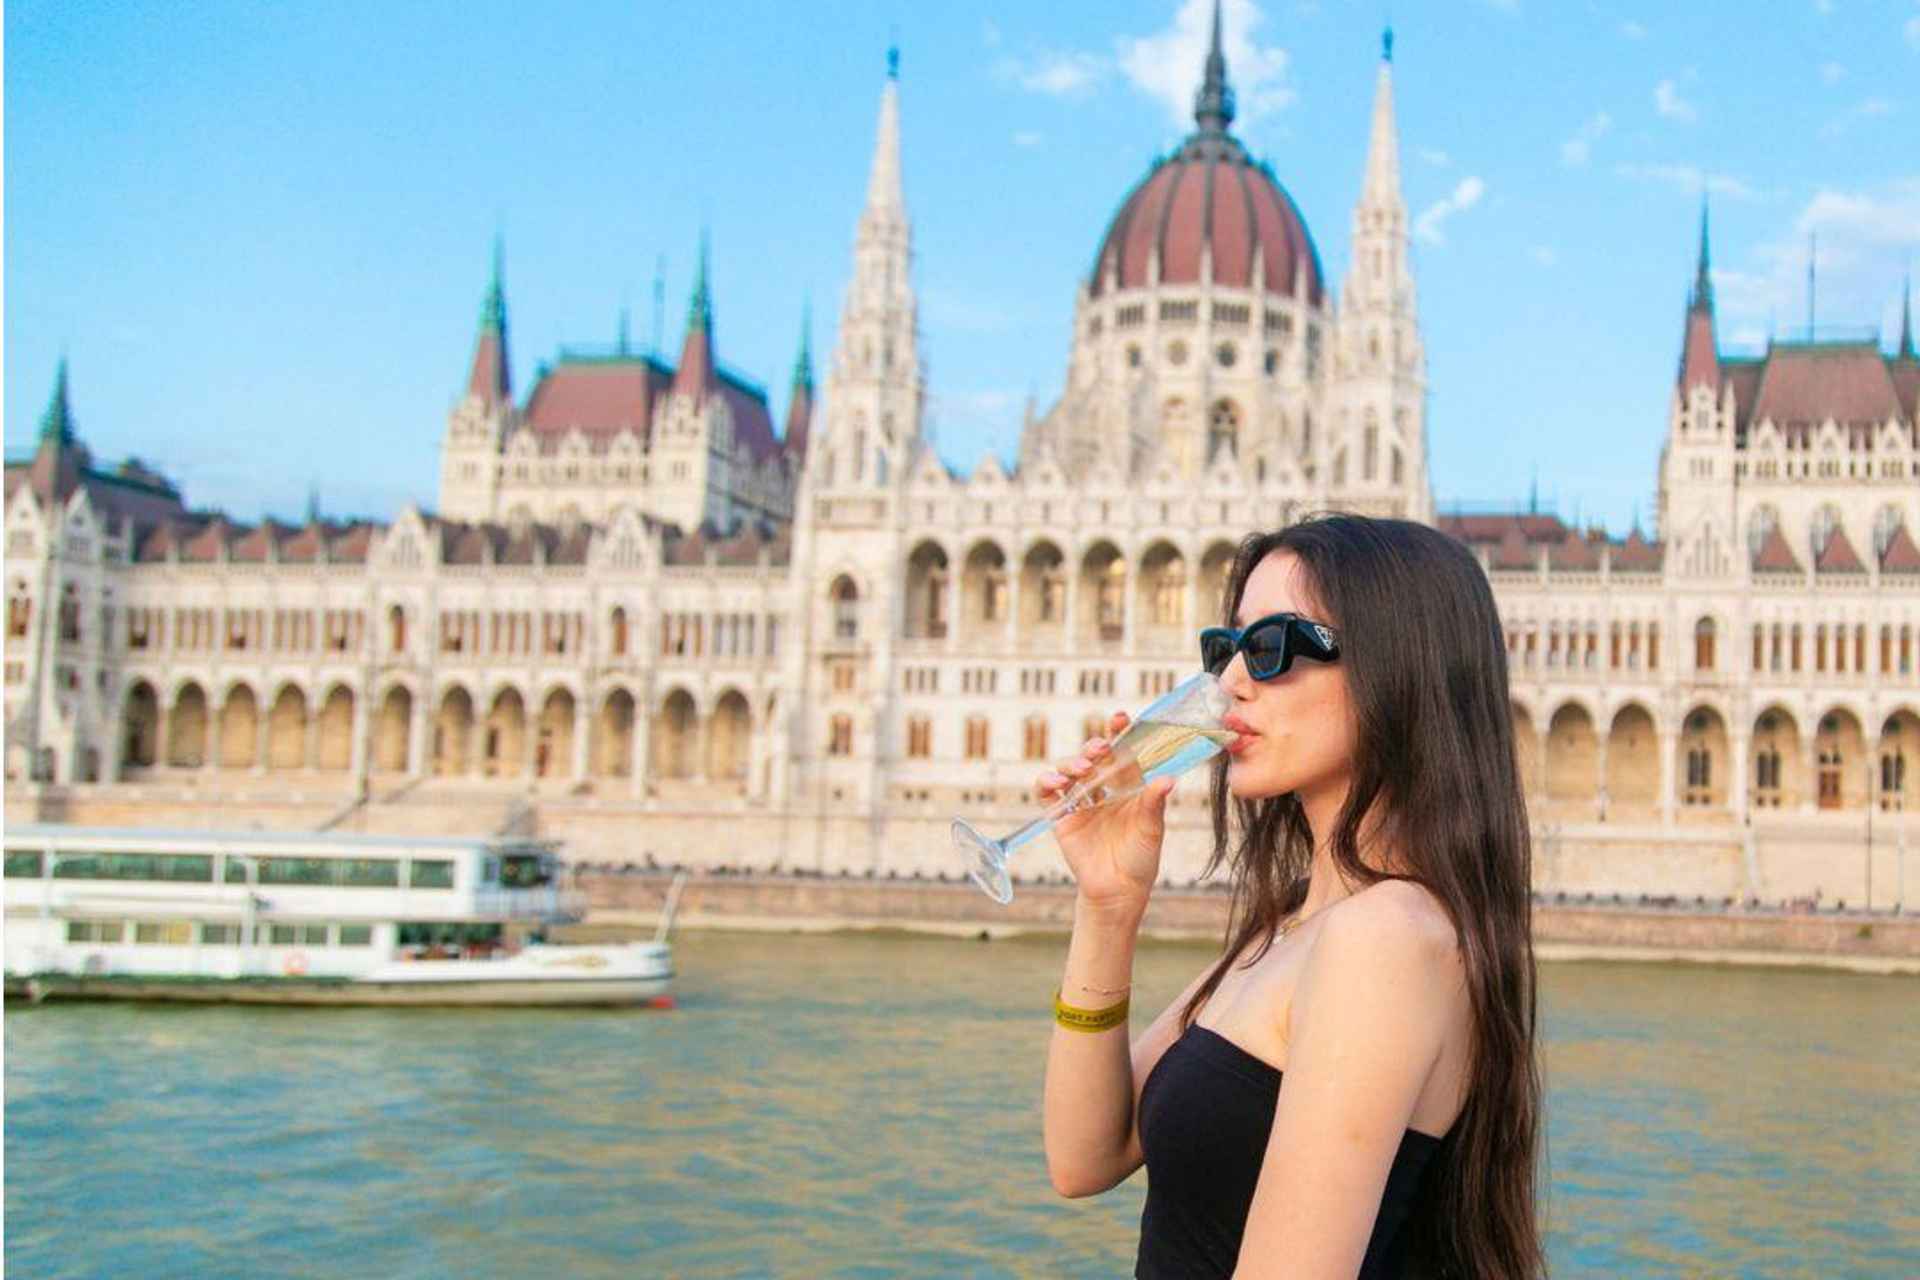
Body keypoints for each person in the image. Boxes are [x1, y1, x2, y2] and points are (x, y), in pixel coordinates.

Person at [1039, 515, 1544, 1279]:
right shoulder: (1289, 928)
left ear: (1396, 669)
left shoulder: (1385, 937)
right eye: (1226, 648)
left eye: (1272, 646)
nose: (1229, 683)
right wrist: (1108, 908)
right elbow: (1085, 1156)